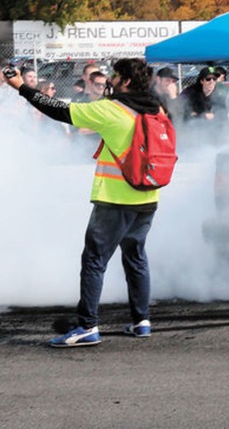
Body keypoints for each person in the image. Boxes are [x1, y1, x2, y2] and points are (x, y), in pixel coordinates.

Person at [3, 58, 169, 347]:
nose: (109, 81)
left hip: (115, 199)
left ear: (126, 82)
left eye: (115, 76)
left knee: (93, 260)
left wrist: (20, 86)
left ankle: (87, 326)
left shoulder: (112, 109)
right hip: (148, 196)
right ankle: (142, 321)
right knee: (136, 257)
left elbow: (58, 110)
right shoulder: (156, 108)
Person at [180, 65, 229, 143]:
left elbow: (225, 115)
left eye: (214, 79)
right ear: (201, 81)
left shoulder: (221, 93)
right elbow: (179, 108)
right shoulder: (190, 92)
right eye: (208, 79)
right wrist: (199, 115)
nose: (211, 81)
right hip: (193, 131)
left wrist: (214, 116)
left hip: (214, 132)